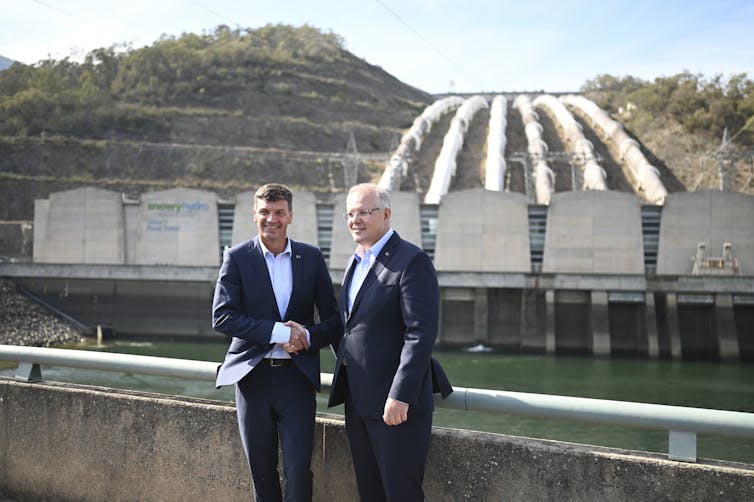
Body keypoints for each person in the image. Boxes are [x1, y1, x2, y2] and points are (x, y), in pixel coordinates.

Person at [212, 183, 341, 502]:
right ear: (254, 214)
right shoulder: (238, 258)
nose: (272, 219)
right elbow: (223, 317)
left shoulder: (310, 257)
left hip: (296, 379)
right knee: (262, 471)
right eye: (265, 212)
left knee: (298, 470)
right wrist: (281, 333)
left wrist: (307, 336)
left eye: (279, 212)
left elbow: (335, 322)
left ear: (290, 216)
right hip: (251, 379)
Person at [327, 183, 452, 502]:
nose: (355, 219)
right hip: (358, 400)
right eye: (350, 213)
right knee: (370, 492)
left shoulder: (411, 261)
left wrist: (400, 395)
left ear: (386, 215)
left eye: (364, 212)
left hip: (395, 406)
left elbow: (420, 333)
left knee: (401, 493)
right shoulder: (356, 261)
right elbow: (351, 327)